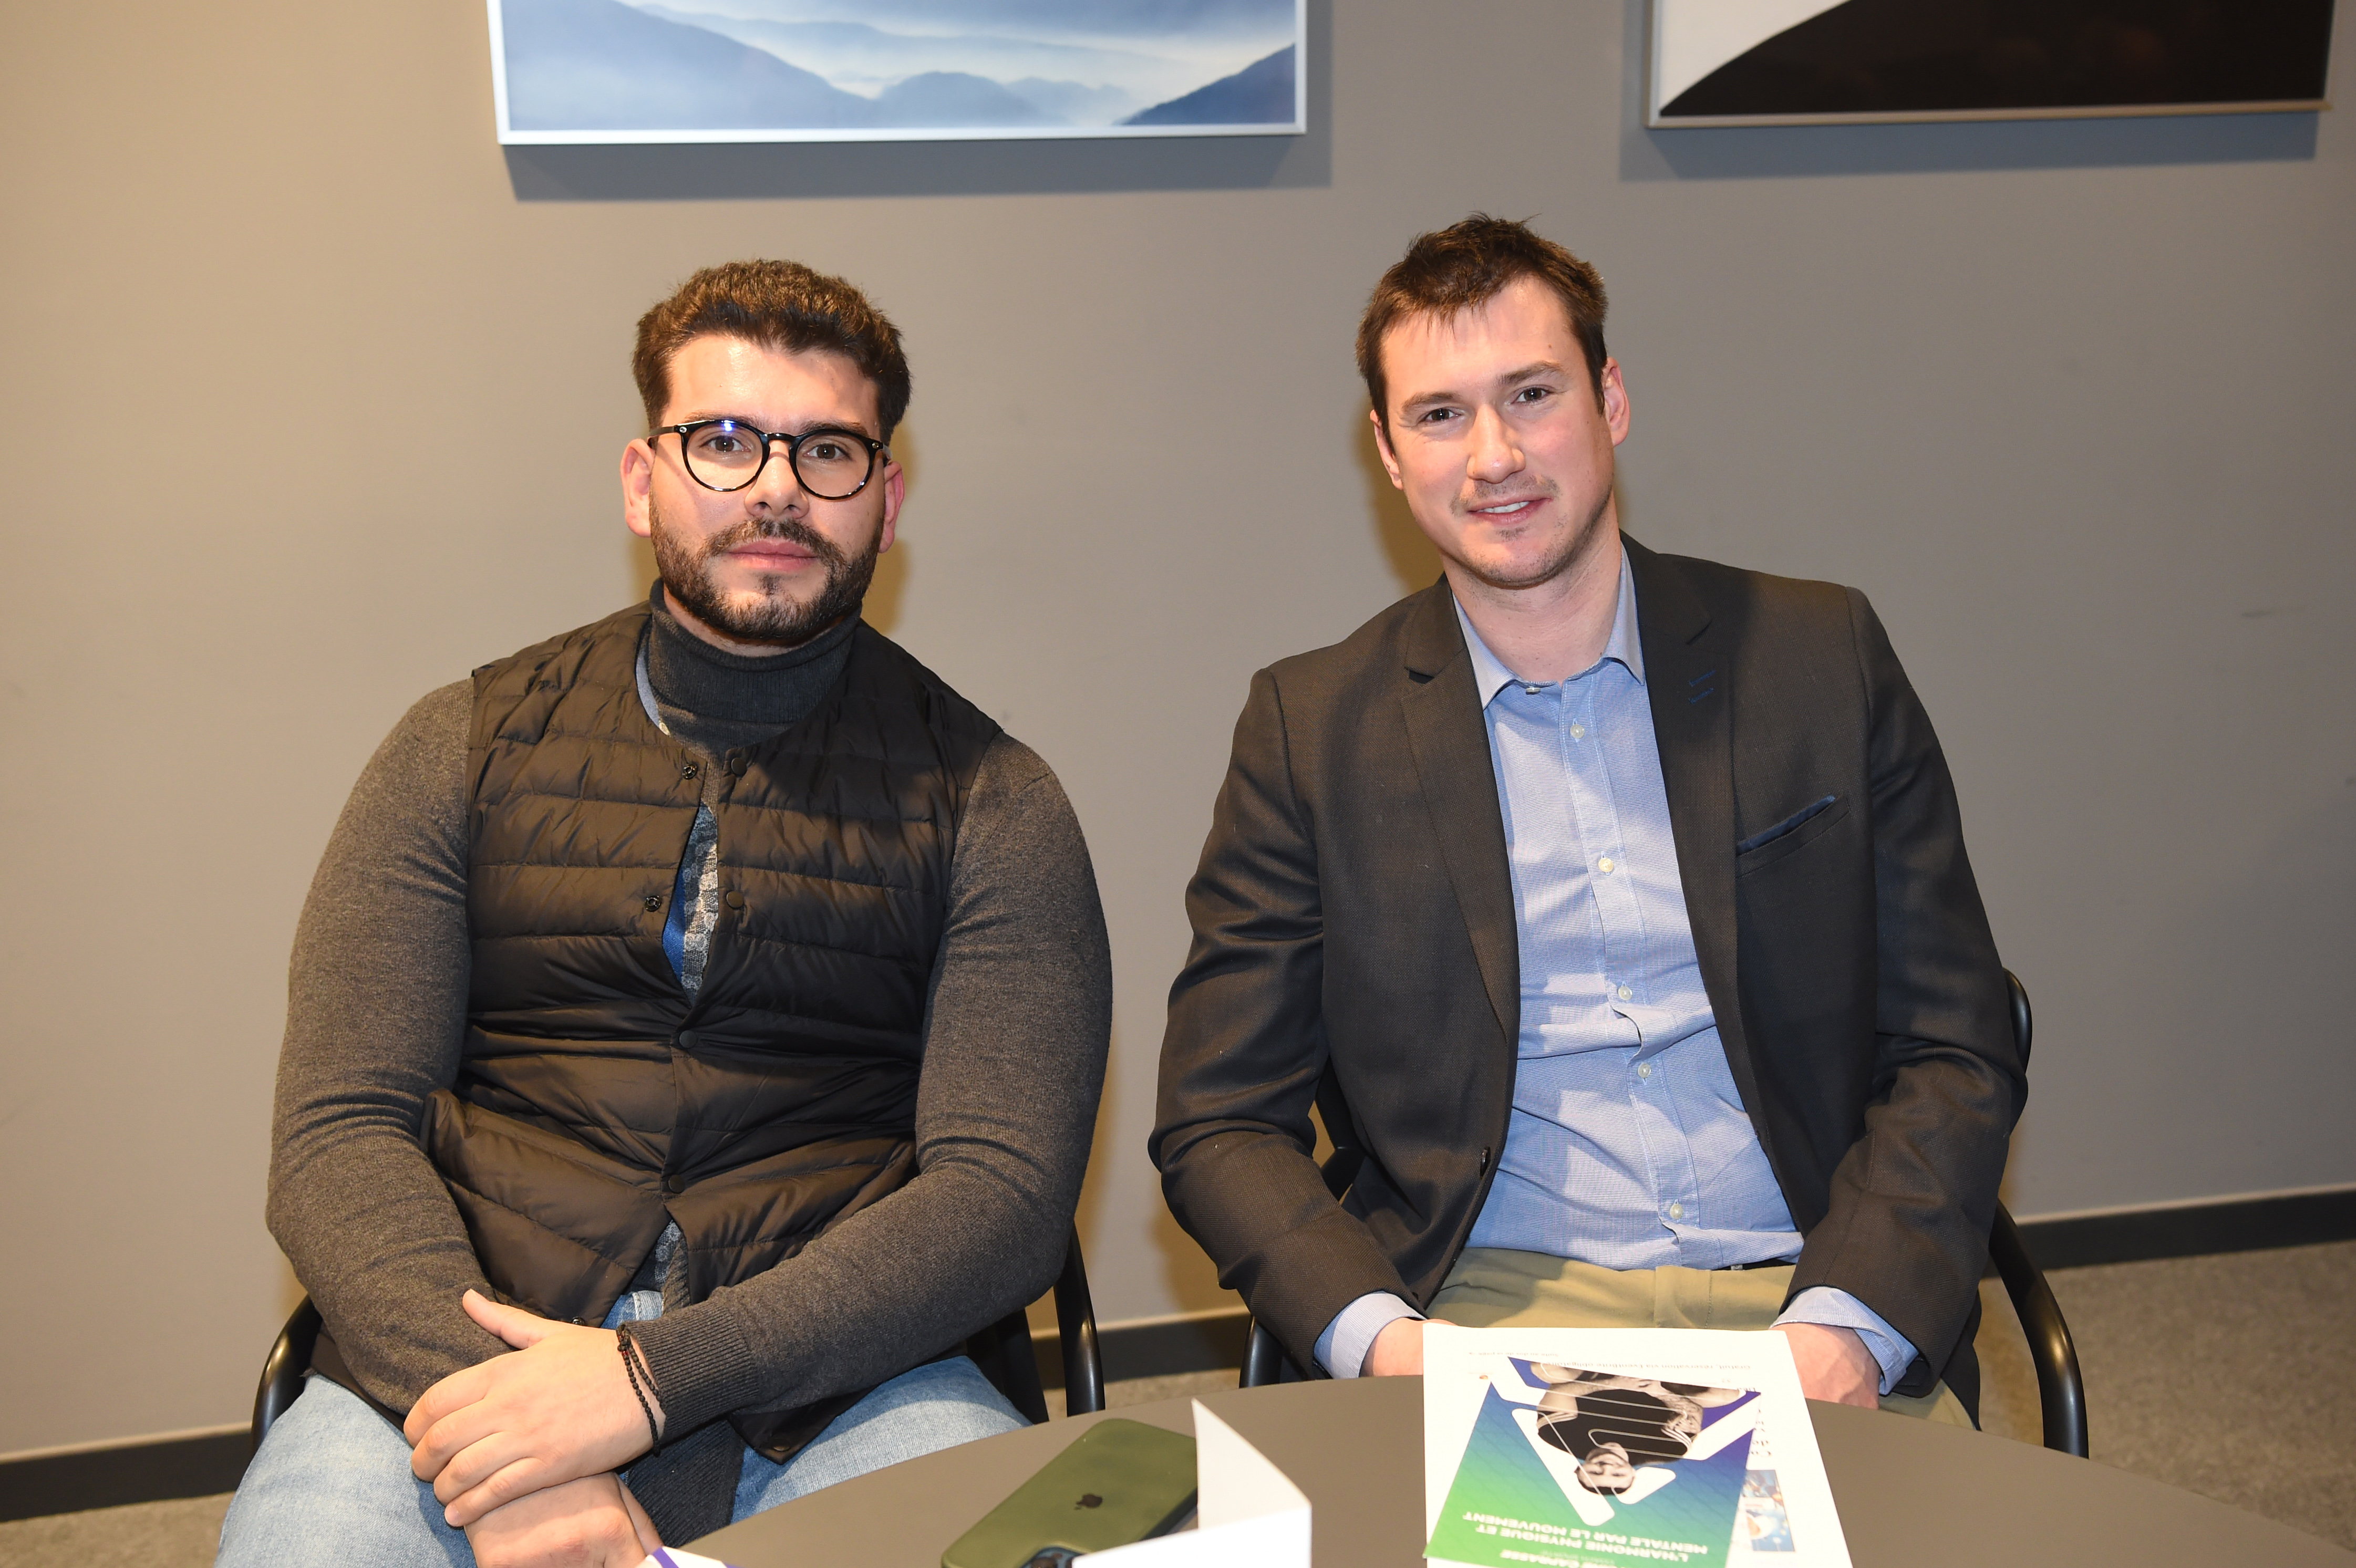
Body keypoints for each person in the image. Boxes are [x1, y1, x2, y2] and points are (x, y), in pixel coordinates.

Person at [219, 261, 1112, 1567]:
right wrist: (507, 1439)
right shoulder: (453, 747)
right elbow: (338, 1129)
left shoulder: (996, 800)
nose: (776, 488)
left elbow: (1002, 1195)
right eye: (725, 441)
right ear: (642, 480)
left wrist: (647, 1380)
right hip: (466, 1350)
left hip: (846, 1380)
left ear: (886, 500)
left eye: (827, 451)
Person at [1151, 215, 2022, 1426]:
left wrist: (1847, 1326)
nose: (1494, 455)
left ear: (1609, 399)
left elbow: (1955, 1039)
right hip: (1480, 1313)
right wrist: (1387, 1345)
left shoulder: (1819, 659)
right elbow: (1218, 1116)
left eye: (1531, 393)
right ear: (1388, 451)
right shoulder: (1310, 730)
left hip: (1806, 1288)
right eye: (1439, 413)